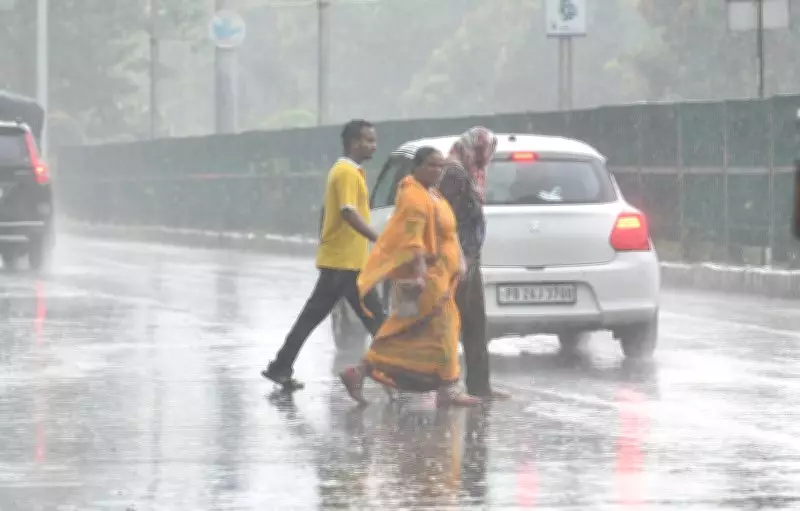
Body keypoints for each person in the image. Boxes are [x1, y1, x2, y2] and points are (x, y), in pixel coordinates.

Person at [338, 146, 482, 407]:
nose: (437, 171)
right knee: (428, 329)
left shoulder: (433, 194)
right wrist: (419, 274)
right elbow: (414, 240)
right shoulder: (413, 196)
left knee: (421, 333)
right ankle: (447, 387)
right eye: (431, 165)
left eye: (441, 166)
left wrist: (459, 260)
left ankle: (360, 372)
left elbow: (448, 233)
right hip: (428, 279)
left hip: (444, 277)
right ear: (416, 167)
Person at [262, 119, 386, 391]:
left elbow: (328, 213)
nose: (373, 146)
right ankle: (397, 375)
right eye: (369, 140)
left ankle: (280, 366)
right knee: (378, 321)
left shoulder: (349, 172)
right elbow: (347, 211)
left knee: (317, 317)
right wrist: (377, 238)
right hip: (346, 264)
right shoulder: (345, 173)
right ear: (355, 142)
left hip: (343, 261)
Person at [437, 126, 510, 400]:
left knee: (475, 324)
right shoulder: (454, 174)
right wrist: (458, 257)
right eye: (482, 151)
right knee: (455, 323)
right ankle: (448, 386)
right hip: (458, 261)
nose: (485, 158)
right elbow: (447, 218)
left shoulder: (470, 172)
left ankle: (480, 386)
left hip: (469, 259)